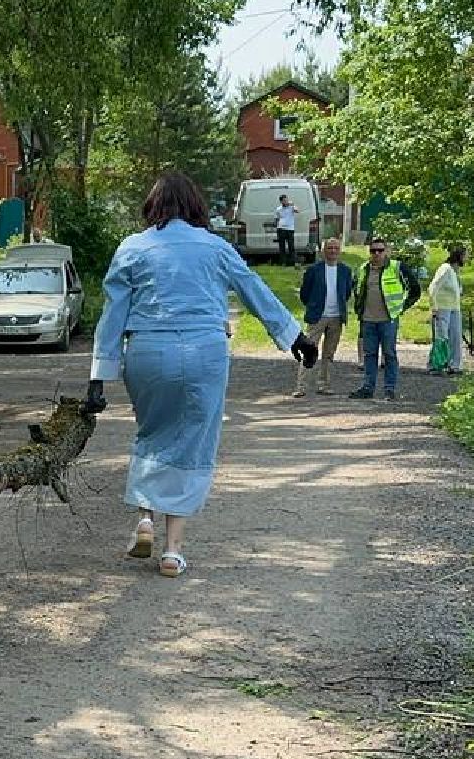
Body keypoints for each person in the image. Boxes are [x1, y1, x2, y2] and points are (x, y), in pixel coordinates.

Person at [82, 170, 319, 578]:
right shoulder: (215, 247)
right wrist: (294, 336)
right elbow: (253, 288)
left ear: (152, 206)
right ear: (196, 206)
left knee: (152, 433)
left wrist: (98, 376)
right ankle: (173, 552)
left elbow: (113, 314)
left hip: (148, 350)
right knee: (194, 441)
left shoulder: (133, 248)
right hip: (204, 350)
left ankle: (144, 519)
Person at [349, 236, 422, 401]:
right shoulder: (363, 269)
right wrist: (359, 310)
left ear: (386, 251)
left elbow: (415, 289)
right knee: (369, 355)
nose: (376, 254)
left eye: (380, 250)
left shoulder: (397, 267)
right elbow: (356, 289)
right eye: (373, 250)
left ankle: (390, 389)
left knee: (389, 354)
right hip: (368, 320)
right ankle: (368, 387)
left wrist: (401, 308)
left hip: (388, 320)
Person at [293, 237, 353, 397]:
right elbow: (305, 293)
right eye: (329, 248)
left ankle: (324, 385)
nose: (332, 251)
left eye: (335, 248)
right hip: (317, 316)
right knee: (309, 351)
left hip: (336, 317)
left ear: (339, 251)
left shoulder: (346, 271)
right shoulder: (313, 270)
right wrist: (313, 306)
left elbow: (347, 292)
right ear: (323, 251)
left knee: (329, 354)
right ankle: (301, 387)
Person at [427, 245, 466, 375]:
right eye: (465, 255)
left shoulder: (455, 272)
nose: (466, 258)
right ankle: (436, 365)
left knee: (455, 337)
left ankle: (454, 365)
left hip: (454, 308)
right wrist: (434, 306)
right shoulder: (445, 269)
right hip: (442, 308)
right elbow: (433, 287)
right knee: (441, 337)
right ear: (459, 256)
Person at [274, 194, 299, 266]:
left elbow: (297, 211)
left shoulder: (291, 207)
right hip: (281, 229)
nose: (286, 201)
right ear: (281, 201)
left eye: (286, 200)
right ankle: (283, 262)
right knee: (282, 247)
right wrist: (277, 227)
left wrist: (293, 204)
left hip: (290, 229)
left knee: (291, 246)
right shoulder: (278, 209)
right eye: (284, 200)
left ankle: (292, 262)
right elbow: (277, 219)